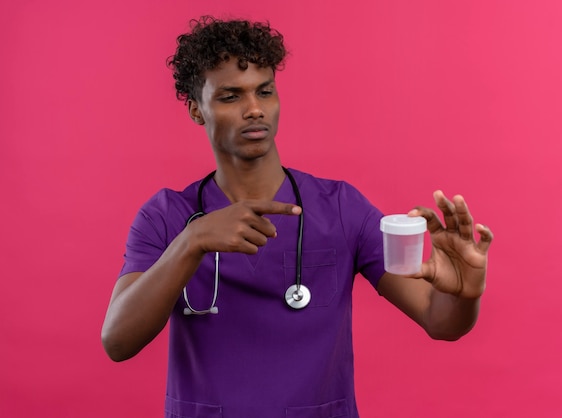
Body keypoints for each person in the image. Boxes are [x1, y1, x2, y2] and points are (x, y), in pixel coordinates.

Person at [101, 16, 493, 418]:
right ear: (196, 109)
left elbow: (439, 320)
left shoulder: (341, 208)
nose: (254, 109)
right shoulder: (168, 217)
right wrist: (192, 241)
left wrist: (463, 292)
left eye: (265, 91)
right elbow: (117, 341)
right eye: (231, 96)